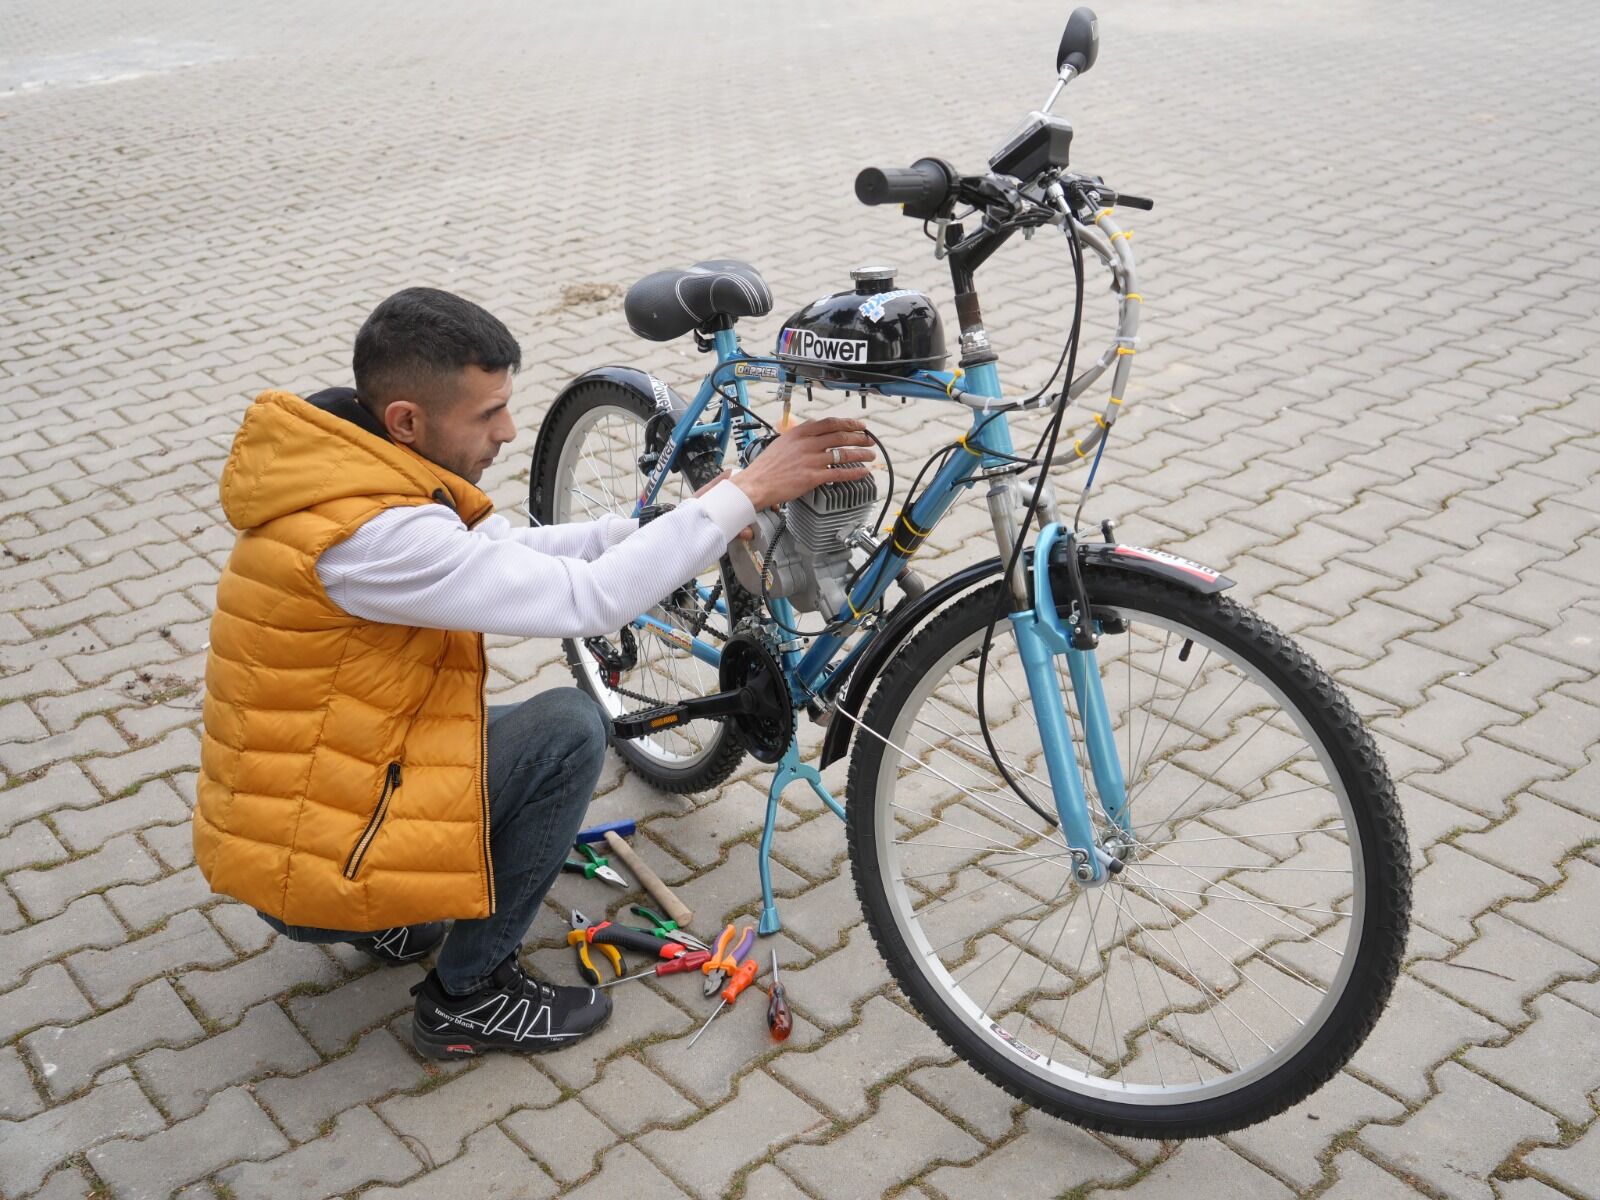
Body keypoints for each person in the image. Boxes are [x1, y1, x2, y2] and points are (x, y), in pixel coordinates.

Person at [193, 286, 873, 1058]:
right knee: (568, 729)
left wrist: (664, 526)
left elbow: (507, 552)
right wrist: (748, 491)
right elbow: (589, 602)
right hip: (313, 862)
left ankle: (392, 916)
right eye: (487, 416)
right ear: (407, 421)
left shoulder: (346, 470)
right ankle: (467, 996)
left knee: (484, 732)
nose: (510, 433)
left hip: (309, 820)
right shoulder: (373, 538)